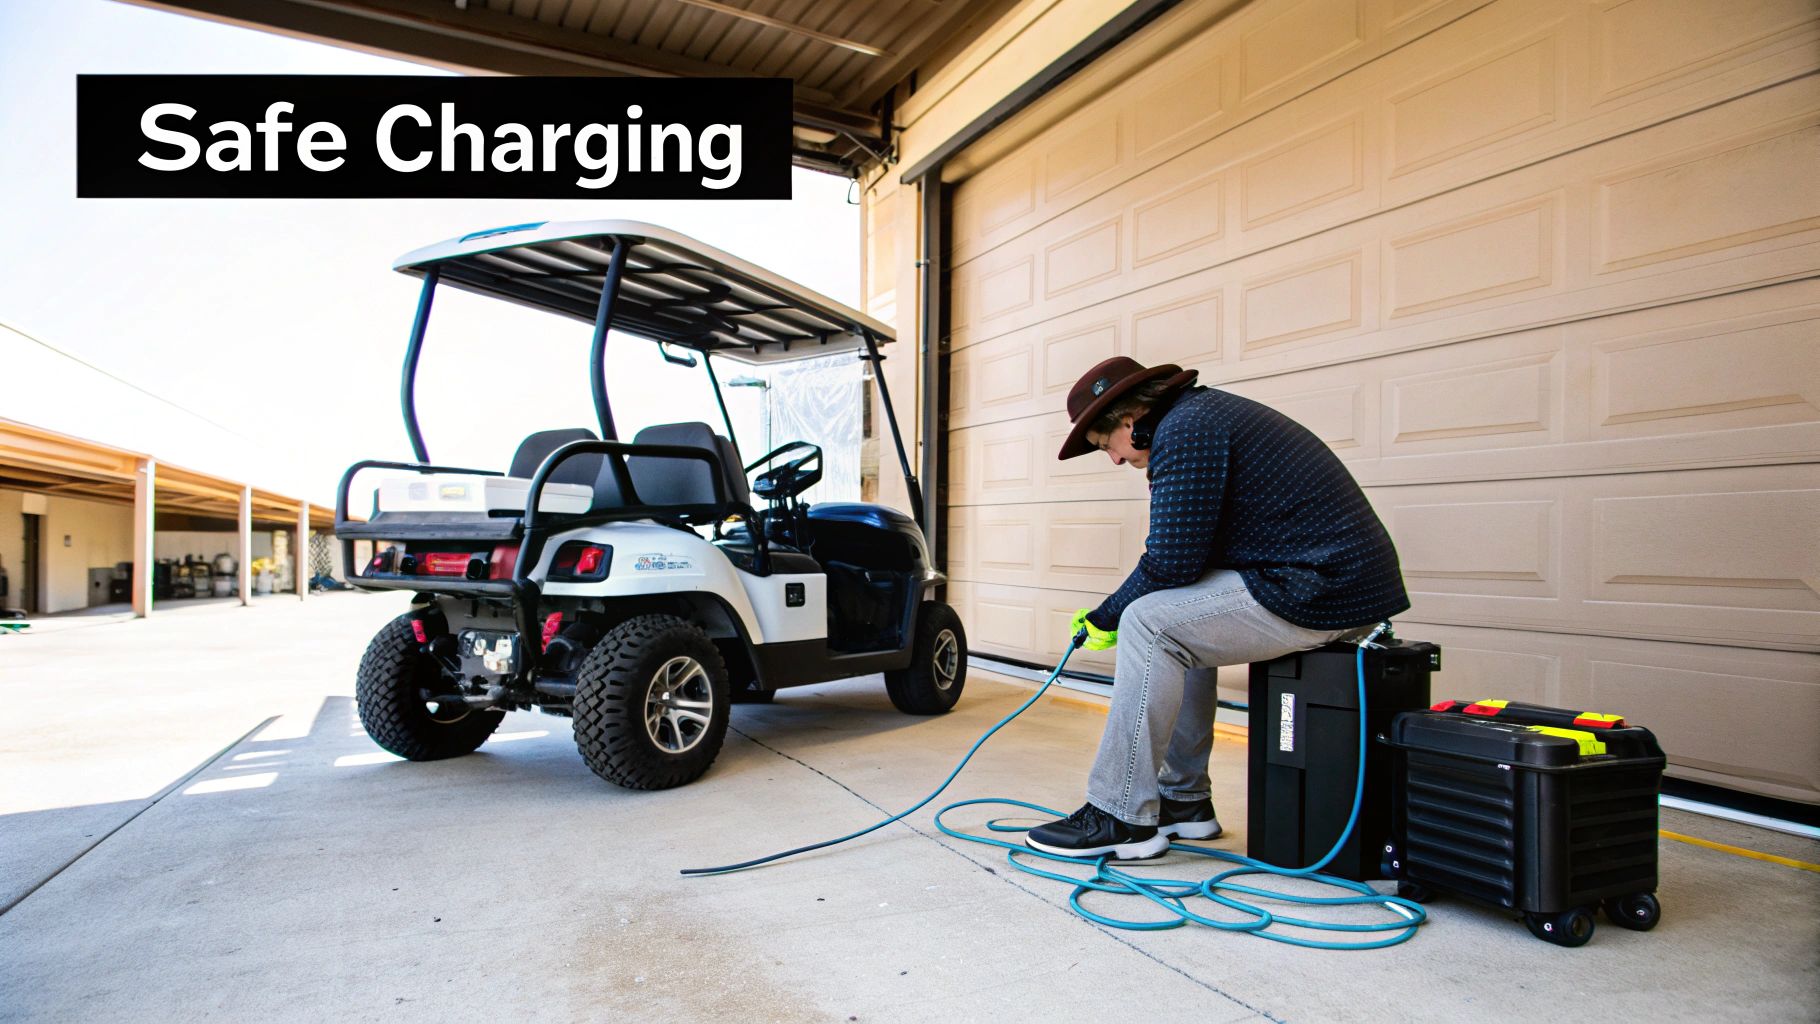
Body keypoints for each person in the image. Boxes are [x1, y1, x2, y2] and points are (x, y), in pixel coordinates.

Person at [1025, 356, 1409, 860]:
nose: (1115, 460)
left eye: (1105, 447)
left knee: (1149, 622)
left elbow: (1170, 561)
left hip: (1321, 587)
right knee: (1169, 614)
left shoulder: (1187, 429)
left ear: (1127, 420)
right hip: (1317, 578)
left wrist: (1108, 614)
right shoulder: (1197, 418)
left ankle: (1120, 815)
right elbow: (1184, 563)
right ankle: (1184, 804)